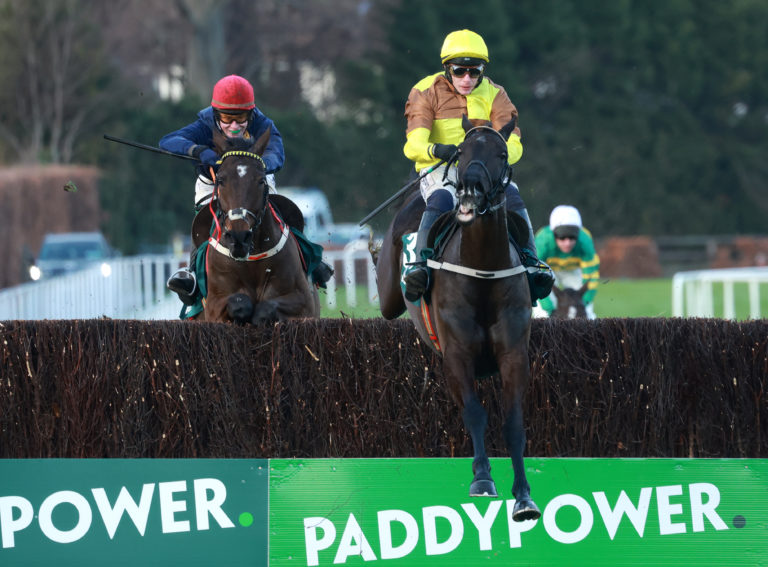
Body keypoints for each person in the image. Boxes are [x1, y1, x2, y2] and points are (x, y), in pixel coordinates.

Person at [401, 29, 554, 302]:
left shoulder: (496, 94)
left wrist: (495, 156)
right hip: (442, 167)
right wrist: (436, 149)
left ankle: (532, 263)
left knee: (513, 195)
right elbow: (413, 145)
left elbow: (515, 143)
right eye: (460, 71)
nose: (467, 79)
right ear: (447, 68)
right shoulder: (424, 91)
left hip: (483, 169)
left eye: (475, 72)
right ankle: (419, 267)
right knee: (442, 197)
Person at [159, 74, 332, 306]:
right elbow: (168, 141)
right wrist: (199, 151)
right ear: (216, 114)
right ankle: (191, 273)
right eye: (227, 118)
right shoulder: (204, 124)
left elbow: (276, 154)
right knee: (204, 218)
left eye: (240, 118)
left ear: (250, 114)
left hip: (254, 179)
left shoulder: (262, 124)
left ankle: (307, 256)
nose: (233, 125)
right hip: (213, 182)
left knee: (282, 209)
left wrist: (257, 167)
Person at [533, 205, 600, 319]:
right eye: (562, 237)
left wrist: (584, 302)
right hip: (547, 271)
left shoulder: (585, 241)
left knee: (587, 314)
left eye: (572, 237)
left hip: (572, 271)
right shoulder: (543, 241)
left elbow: (591, 277)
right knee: (542, 314)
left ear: (578, 234)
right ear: (554, 233)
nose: (567, 243)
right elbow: (536, 274)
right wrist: (548, 307)